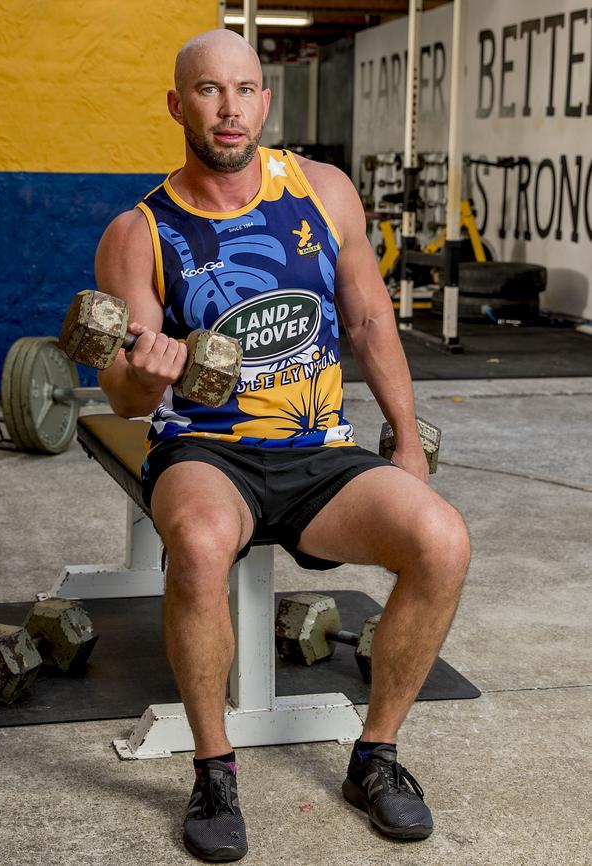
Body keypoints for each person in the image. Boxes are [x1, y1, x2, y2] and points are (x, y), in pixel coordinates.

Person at [96, 28, 470, 863]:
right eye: (207, 91)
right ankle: (214, 769)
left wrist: (406, 440)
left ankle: (375, 757)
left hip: (321, 449)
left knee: (441, 539)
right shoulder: (139, 232)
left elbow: (370, 318)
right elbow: (121, 395)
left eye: (244, 90)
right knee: (196, 547)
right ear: (176, 103)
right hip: (206, 453)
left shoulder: (323, 190)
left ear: (264, 100)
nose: (229, 110)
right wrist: (148, 374)